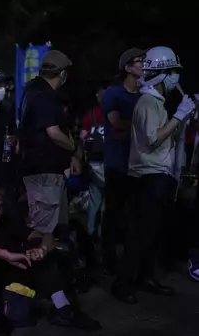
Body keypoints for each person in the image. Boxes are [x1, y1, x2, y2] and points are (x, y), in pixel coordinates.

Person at [0, 180, 101, 336]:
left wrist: (40, 249)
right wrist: (5, 254)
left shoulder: (7, 222)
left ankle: (63, 308)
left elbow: (43, 236)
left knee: (42, 255)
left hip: (5, 276)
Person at [111, 46, 195, 304]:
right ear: (160, 74)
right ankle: (122, 284)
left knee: (152, 233)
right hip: (148, 177)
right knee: (139, 235)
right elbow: (153, 139)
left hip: (158, 175)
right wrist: (179, 115)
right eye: (171, 72)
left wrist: (183, 119)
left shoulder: (155, 101)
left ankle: (145, 277)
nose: (175, 77)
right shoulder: (148, 101)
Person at [18, 50, 81, 242]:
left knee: (50, 226)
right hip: (44, 170)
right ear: (62, 74)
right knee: (43, 228)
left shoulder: (31, 91)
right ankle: (38, 266)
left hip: (40, 168)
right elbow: (54, 133)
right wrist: (73, 147)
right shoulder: (44, 96)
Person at [101, 48, 145, 273]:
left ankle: (130, 260)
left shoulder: (144, 95)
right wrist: (144, 127)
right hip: (118, 164)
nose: (145, 65)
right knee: (114, 213)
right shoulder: (114, 93)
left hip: (139, 164)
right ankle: (107, 258)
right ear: (128, 68)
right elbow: (116, 123)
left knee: (135, 215)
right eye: (140, 61)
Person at [80, 83, 108, 240]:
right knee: (107, 201)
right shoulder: (115, 114)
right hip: (110, 162)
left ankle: (91, 231)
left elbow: (83, 137)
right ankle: (103, 233)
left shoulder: (90, 114)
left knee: (94, 199)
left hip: (94, 163)